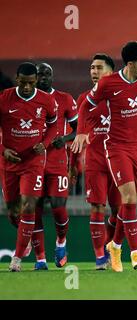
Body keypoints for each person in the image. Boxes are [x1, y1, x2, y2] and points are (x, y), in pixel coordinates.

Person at [71, 42, 137, 272]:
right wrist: (80, 132)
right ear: (130, 64)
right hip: (114, 149)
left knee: (127, 204)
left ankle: (115, 245)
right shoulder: (108, 86)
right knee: (124, 200)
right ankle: (132, 253)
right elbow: (84, 108)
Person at [0, 62, 58, 272]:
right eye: (23, 83)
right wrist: (3, 150)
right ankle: (25, 236)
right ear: (17, 79)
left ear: (35, 81)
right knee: (14, 212)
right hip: (9, 162)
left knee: (29, 207)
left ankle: (16, 259)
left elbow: (53, 123)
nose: (26, 87)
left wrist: (46, 143)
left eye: (31, 83)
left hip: (33, 162)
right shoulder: (4, 97)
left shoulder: (46, 100)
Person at [72, 53, 122, 270]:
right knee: (97, 207)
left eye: (99, 68)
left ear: (111, 72)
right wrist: (73, 164)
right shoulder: (84, 99)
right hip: (95, 160)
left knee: (119, 211)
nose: (94, 72)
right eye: (92, 68)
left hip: (119, 159)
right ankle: (100, 256)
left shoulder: (121, 94)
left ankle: (110, 245)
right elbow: (78, 134)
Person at [30, 63, 78, 270]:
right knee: (34, 209)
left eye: (47, 74)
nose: (43, 78)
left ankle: (61, 242)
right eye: (40, 75)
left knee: (58, 206)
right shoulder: (26, 100)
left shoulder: (65, 99)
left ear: (52, 76)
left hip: (57, 161)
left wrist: (65, 138)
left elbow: (80, 128)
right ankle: (40, 259)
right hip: (32, 162)